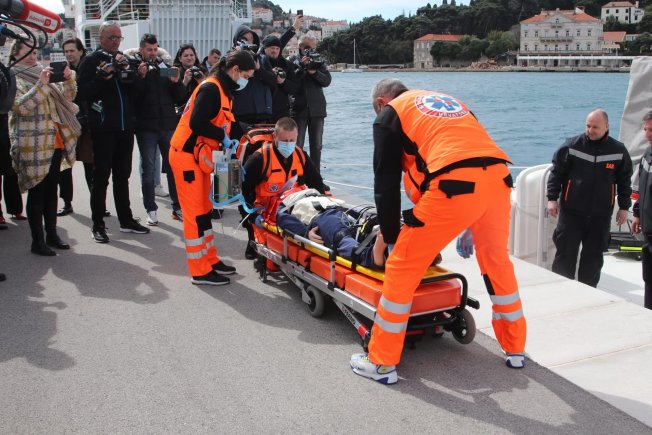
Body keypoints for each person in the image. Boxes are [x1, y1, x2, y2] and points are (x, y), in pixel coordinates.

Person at [349, 78, 527, 385]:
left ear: (380, 102)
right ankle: (515, 348)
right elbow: (467, 152)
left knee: (402, 267)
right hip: (499, 181)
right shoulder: (451, 103)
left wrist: (391, 236)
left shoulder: (390, 114)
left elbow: (386, 181)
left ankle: (381, 362)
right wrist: (472, 220)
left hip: (453, 187)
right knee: (497, 263)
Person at [169, 50, 255, 286]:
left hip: (201, 157)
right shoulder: (211, 88)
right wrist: (222, 137)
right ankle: (200, 271)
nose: (246, 80)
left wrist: (244, 133)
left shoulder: (224, 90)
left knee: (205, 209)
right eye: (246, 75)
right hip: (186, 156)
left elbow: (226, 123)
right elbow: (197, 122)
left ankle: (210, 259)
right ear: (235, 70)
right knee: (195, 213)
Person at [77, 21, 151, 243]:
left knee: (123, 175)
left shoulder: (124, 59)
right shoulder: (90, 61)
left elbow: (138, 93)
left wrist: (134, 74)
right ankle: (98, 224)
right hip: (103, 128)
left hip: (125, 127)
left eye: (119, 37)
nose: (116, 41)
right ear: (100, 38)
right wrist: (101, 77)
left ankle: (126, 220)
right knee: (100, 177)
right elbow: (81, 93)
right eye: (111, 37)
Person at [9, 39, 80, 255]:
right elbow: (20, 107)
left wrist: (68, 79)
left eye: (34, 52)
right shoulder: (12, 77)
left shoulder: (43, 73)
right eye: (27, 52)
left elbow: (68, 97)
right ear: (15, 55)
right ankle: (37, 241)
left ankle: (52, 234)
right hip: (32, 144)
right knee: (37, 192)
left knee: (51, 191)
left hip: (54, 140)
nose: (32, 56)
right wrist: (41, 84)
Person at [547, 109, 632, 287]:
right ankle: (561, 290)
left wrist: (624, 207)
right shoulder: (571, 146)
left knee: (593, 258)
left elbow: (625, 181)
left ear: (607, 127)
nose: (590, 130)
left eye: (595, 127)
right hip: (571, 213)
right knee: (565, 254)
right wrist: (552, 198)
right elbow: (556, 173)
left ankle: (588, 292)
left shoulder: (618, 151)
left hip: (600, 215)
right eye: (588, 126)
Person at [241, 117, 326, 259]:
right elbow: (243, 191)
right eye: (284, 141)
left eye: (292, 141)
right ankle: (253, 240)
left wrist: (322, 204)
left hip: (294, 205)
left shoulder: (300, 155)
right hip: (267, 210)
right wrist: (252, 217)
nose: (288, 144)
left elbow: (316, 182)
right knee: (266, 258)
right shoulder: (259, 159)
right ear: (275, 136)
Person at [133, 33, 185, 226]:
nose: (153, 53)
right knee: (148, 170)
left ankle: (177, 207)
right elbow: (133, 97)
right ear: (141, 49)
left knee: (173, 168)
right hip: (146, 127)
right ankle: (151, 210)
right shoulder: (135, 67)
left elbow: (179, 97)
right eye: (149, 49)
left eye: (155, 49)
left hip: (168, 125)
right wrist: (140, 77)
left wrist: (176, 82)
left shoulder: (164, 67)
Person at [275, 191, 387, 269]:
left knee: (368, 222)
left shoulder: (311, 190)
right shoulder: (285, 201)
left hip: (341, 210)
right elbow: (282, 218)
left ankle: (384, 247)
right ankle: (370, 255)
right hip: (323, 216)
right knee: (341, 236)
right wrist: (305, 233)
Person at [289, 35, 331, 173]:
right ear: (300, 47)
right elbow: (291, 81)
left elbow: (327, 81)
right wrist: (302, 67)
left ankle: (316, 176)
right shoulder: (292, 61)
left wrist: (314, 72)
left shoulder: (319, 61)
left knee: (317, 146)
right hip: (299, 109)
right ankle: (296, 175)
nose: (310, 51)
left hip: (317, 109)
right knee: (297, 145)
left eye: (313, 48)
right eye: (307, 48)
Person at [57, 38, 89, 217]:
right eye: (66, 51)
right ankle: (67, 202)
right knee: (65, 165)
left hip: (87, 122)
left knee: (89, 163)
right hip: (67, 123)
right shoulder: (61, 71)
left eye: (72, 50)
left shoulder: (88, 67)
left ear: (81, 51)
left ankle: (96, 202)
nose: (69, 54)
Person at [230, 24, 276, 136]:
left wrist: (259, 69)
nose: (247, 42)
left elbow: (273, 82)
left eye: (250, 39)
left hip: (262, 116)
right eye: (244, 39)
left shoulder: (261, 59)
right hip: (239, 116)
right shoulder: (230, 58)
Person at [631, 110, 652, 310]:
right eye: (645, 129)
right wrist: (637, 214)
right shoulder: (647, 155)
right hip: (648, 231)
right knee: (648, 277)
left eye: (651, 130)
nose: (647, 134)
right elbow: (642, 188)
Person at [260, 35, 300, 122]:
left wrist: (283, 82)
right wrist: (269, 74)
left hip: (281, 111)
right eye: (272, 48)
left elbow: (294, 89)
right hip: (261, 111)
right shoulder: (259, 63)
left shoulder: (287, 65)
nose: (274, 51)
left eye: (277, 48)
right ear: (265, 48)